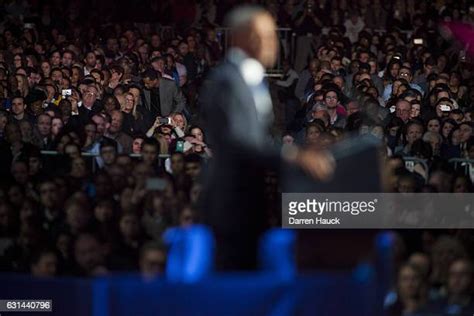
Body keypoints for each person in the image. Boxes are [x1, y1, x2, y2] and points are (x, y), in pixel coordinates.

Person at [199, 6, 335, 270]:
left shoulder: (250, 77)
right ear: (243, 37)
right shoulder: (228, 80)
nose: (274, 44)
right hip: (231, 203)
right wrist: (295, 155)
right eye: (267, 36)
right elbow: (240, 141)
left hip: (250, 199)